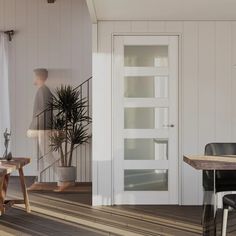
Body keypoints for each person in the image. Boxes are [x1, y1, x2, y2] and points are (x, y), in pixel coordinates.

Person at [27, 69, 56, 182]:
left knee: (46, 154)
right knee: (40, 154)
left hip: (42, 128)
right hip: (41, 128)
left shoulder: (43, 91)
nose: (34, 79)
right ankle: (40, 179)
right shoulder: (43, 90)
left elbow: (43, 112)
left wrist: (33, 127)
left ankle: (62, 177)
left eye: (35, 76)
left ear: (39, 77)